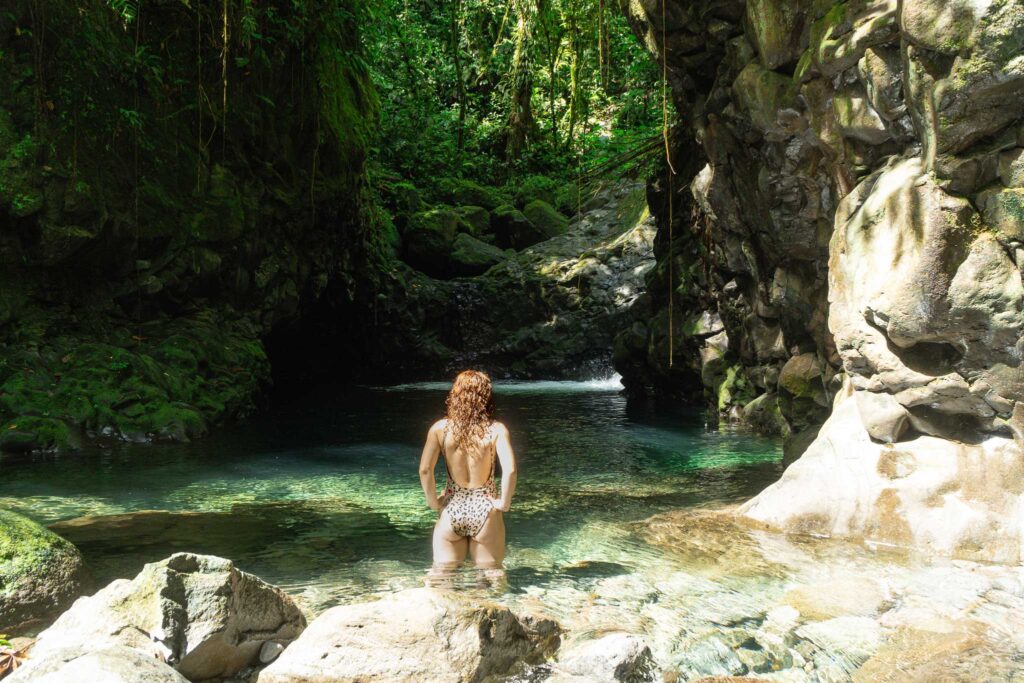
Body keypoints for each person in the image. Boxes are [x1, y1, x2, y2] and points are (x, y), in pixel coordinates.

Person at [418, 370, 517, 578]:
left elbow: (425, 470)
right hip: (485, 507)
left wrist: (433, 503)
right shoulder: (496, 429)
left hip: (452, 506)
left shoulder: (440, 429)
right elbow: (510, 470)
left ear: (456, 394)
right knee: (492, 576)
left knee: (441, 576)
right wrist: (504, 503)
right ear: (486, 397)